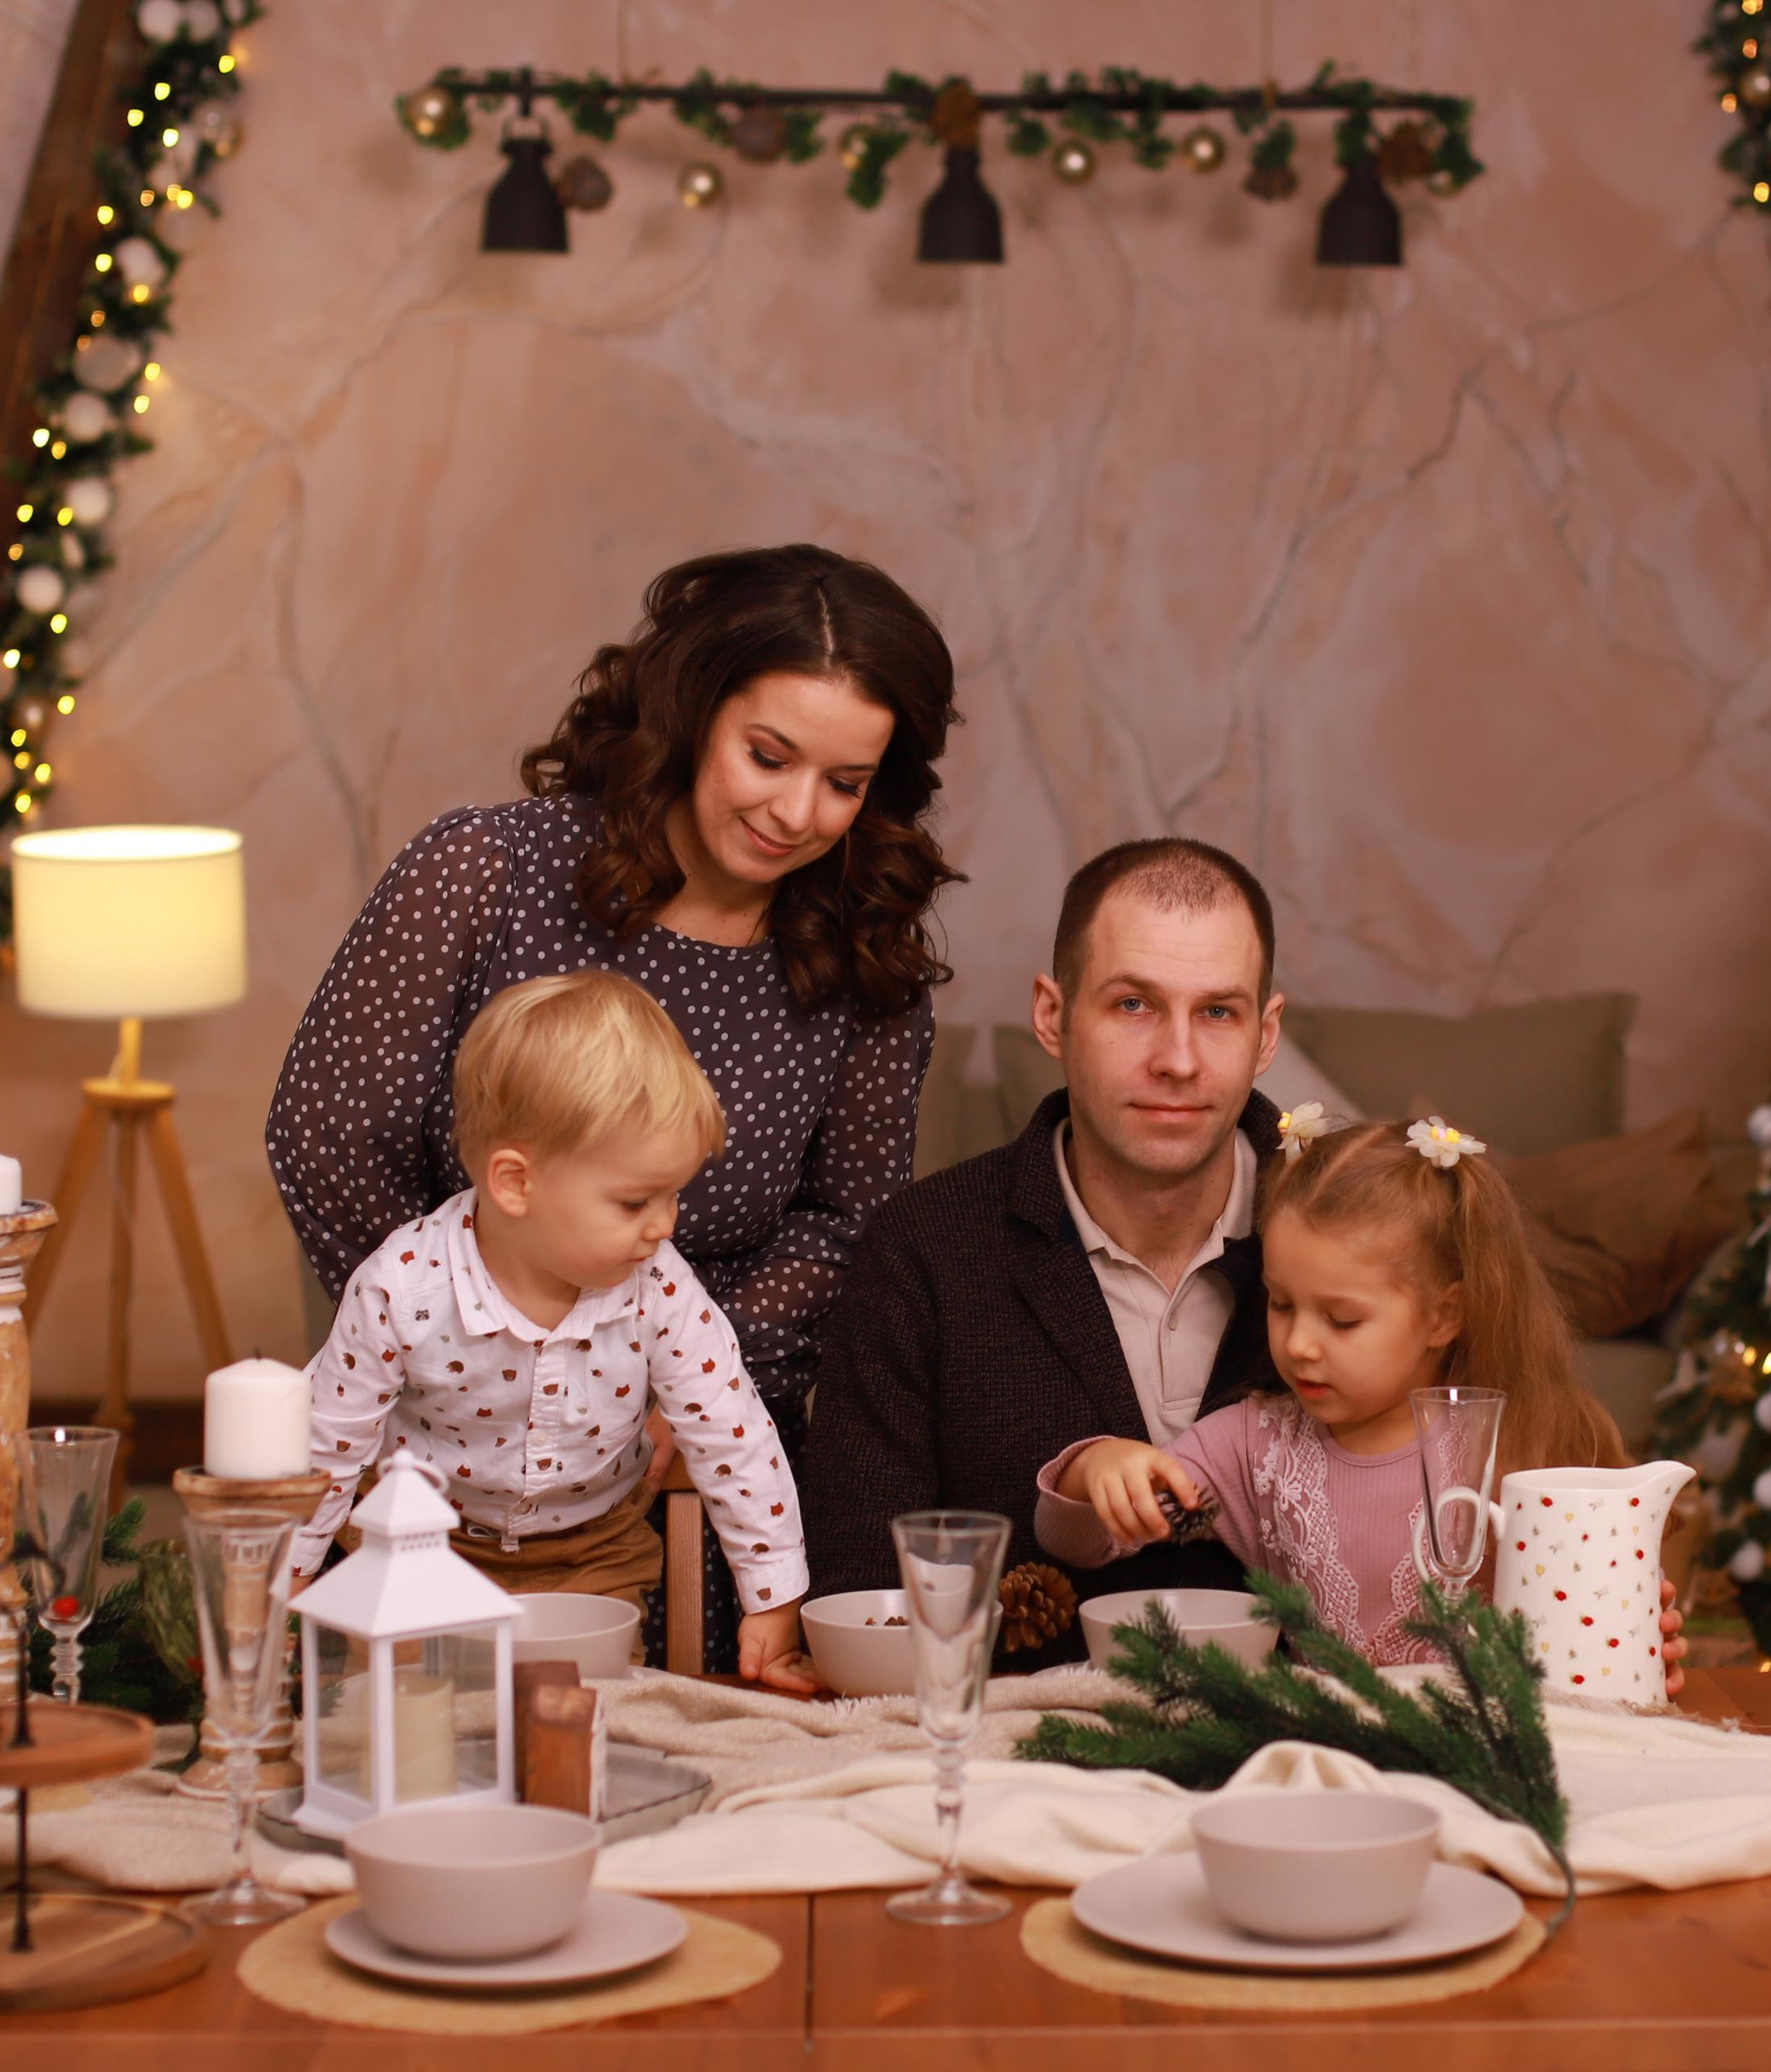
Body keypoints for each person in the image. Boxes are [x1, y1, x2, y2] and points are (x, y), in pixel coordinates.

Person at [267, 545, 960, 1664]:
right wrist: (472, 1359)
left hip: (702, 1468)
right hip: (434, 1464)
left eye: (845, 783)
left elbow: (850, 1226)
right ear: (691, 711)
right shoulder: (486, 871)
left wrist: (662, 1388)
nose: (797, 812)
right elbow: (334, 1133)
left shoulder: (863, 962)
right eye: (768, 756)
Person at [797, 839, 1297, 1641]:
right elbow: (863, 1592)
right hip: (1008, 1738)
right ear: (1052, 1015)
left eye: (1217, 1012)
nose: (1178, 1059)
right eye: (1132, 1004)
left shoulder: (1367, 1235)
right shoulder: (921, 1252)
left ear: (1265, 1034)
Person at [290, 971, 814, 1690]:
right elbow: (330, 1444)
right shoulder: (401, 1287)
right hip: (418, 1548)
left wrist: (774, 1599)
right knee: (404, 1725)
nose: (665, 1225)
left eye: (674, 1195)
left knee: (588, 1716)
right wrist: (280, 1590)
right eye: (635, 1202)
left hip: (590, 1553)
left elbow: (734, 1432)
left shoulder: (657, 1282)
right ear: (515, 1183)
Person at [1034, 1114, 1643, 1670]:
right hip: (1323, 1749)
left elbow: (1606, 1608)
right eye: (1282, 1303)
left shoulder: (1521, 1439)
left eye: (1342, 1320)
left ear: (1443, 1316)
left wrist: (1643, 1635)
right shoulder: (1256, 1446)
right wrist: (1093, 1470)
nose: (1299, 1343)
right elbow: (1083, 1543)